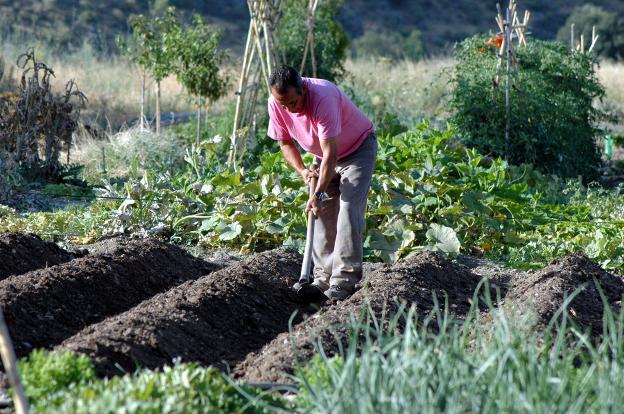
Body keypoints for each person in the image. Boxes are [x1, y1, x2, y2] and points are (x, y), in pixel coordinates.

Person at [267, 64, 377, 300]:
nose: (288, 108)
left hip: (357, 151)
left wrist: (316, 194)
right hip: (322, 156)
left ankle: (343, 281)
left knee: (347, 210)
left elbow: (331, 154)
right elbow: (285, 142)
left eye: (292, 103)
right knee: (322, 213)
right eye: (282, 104)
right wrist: (303, 171)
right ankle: (321, 279)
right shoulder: (277, 103)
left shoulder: (323, 96)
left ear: (302, 90)